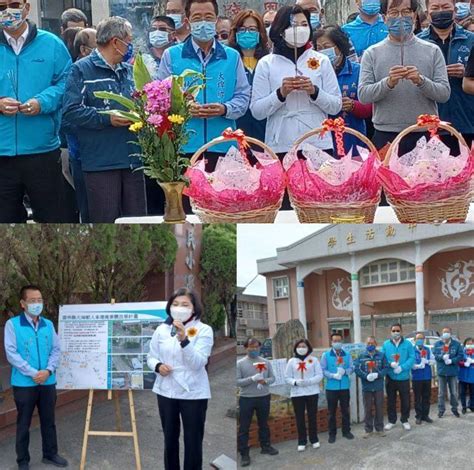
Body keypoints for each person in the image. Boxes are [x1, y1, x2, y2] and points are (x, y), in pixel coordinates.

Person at [62, 16, 147, 223]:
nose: (131, 45)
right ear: (116, 42)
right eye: (128, 40)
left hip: (133, 160)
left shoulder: (129, 71)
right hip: (101, 162)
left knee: (139, 225)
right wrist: (107, 119)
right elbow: (71, 111)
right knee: (106, 224)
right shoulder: (81, 69)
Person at [0, 0, 72, 223]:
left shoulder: (51, 44)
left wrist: (42, 102)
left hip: (42, 151)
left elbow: (67, 83)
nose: (7, 11)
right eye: (1, 6)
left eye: (13, 4)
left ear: (26, 7)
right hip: (1, 153)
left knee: (53, 222)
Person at [157, 0, 250, 166]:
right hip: (184, 146)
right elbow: (161, 98)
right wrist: (184, 108)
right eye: (197, 17)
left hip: (224, 145)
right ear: (187, 22)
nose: (203, 22)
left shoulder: (232, 56)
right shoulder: (171, 56)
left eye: (208, 17)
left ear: (216, 20)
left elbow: (243, 97)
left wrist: (224, 109)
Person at [358, 0, 451, 154]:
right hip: (386, 135)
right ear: (384, 17)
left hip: (424, 132)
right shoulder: (371, 53)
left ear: (414, 16)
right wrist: (388, 83)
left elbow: (444, 94)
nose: (400, 17)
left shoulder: (432, 51)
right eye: (394, 12)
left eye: (406, 12)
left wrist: (421, 81)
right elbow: (363, 96)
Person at [250, 5, 341, 157]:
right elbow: (257, 111)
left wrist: (314, 92)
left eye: (304, 25)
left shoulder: (321, 60)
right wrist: (280, 94)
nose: (300, 29)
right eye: (294, 25)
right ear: (281, 29)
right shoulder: (266, 63)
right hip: (280, 143)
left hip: (317, 141)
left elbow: (336, 106)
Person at [147, 288, 213, 470]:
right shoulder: (161, 329)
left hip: (193, 393)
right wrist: (158, 366)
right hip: (166, 391)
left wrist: (184, 339)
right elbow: (150, 356)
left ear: (194, 308)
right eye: (175, 304)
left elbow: (198, 362)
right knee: (170, 439)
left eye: (185, 304)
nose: (179, 308)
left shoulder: (204, 330)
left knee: (193, 441)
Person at [4, 285, 67, 470]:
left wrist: (48, 370)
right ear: (23, 304)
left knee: (49, 420)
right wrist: (33, 373)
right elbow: (11, 353)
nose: (37, 304)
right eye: (33, 301)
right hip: (24, 383)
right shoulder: (13, 325)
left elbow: (56, 348)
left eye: (40, 300)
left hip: (47, 381)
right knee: (24, 422)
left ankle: (50, 454)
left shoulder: (47, 324)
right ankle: (22, 460)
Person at [418, 0, 474, 149]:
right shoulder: (418, 43)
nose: (441, 11)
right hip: (430, 123)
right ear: (427, 14)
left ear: (454, 10)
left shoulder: (471, 40)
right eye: (435, 8)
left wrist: (468, 73)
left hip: (468, 120)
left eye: (445, 7)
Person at [315, 25, 373, 156]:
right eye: (319, 48)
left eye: (327, 47)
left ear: (340, 47)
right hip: (322, 140)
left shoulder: (358, 71)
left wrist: (353, 106)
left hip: (353, 139)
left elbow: (371, 107)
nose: (322, 52)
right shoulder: (313, 73)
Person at [228, 9, 269, 141]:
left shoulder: (268, 61)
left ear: (260, 33)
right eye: (242, 29)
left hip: (264, 129)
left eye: (252, 29)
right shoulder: (229, 60)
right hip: (236, 127)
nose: (247, 33)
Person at [237, 338, 278, 467]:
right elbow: (237, 382)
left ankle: (265, 446)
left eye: (256, 347)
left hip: (263, 397)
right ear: (246, 347)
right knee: (244, 427)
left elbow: (273, 378)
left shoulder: (265, 362)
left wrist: (264, 381)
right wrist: (252, 379)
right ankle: (244, 453)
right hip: (246, 398)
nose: (254, 349)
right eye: (251, 346)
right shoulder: (240, 363)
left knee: (263, 424)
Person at [284, 339, 323, 452]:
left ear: (308, 348)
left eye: (304, 346)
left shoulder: (313, 360)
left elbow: (319, 375)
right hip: (297, 393)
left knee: (312, 416)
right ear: (296, 348)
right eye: (299, 346)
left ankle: (314, 439)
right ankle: (302, 441)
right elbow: (287, 377)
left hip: (312, 392)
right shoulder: (292, 361)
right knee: (300, 417)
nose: (301, 348)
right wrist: (295, 382)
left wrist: (309, 381)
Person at [320, 333, 355, 443]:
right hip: (331, 388)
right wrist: (332, 375)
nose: (337, 343)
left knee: (345, 410)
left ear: (342, 341)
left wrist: (345, 371)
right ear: (331, 342)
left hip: (344, 386)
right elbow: (323, 370)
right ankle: (332, 433)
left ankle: (346, 431)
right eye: (335, 341)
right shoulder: (326, 355)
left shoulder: (347, 355)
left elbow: (352, 367)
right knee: (331, 412)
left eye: (339, 340)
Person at [381, 323, 415, 431]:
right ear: (390, 332)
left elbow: (412, 357)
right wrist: (390, 364)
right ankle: (391, 420)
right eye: (394, 330)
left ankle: (405, 420)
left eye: (398, 330)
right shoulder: (386, 344)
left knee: (405, 400)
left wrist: (402, 367)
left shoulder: (408, 344)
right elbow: (382, 358)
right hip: (390, 377)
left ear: (401, 331)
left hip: (403, 377)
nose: (396, 332)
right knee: (391, 400)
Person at [354, 336, 390, 438]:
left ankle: (379, 428)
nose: (370, 345)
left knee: (379, 407)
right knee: (368, 408)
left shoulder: (381, 355)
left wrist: (378, 375)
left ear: (376, 344)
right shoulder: (361, 356)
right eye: (368, 343)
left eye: (372, 343)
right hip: (367, 387)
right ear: (366, 344)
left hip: (378, 386)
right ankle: (368, 429)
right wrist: (366, 376)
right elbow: (357, 368)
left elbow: (386, 367)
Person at [433, 326, 464, 418]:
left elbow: (460, 355)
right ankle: (441, 410)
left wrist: (452, 360)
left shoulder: (456, 344)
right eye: (444, 332)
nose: (445, 334)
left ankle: (454, 409)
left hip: (452, 372)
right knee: (441, 393)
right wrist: (442, 357)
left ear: (450, 333)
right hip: (442, 372)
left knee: (454, 393)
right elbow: (435, 355)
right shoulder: (437, 344)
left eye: (447, 332)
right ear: (442, 334)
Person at [411, 332, 436, 425]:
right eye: (418, 338)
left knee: (426, 397)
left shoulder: (428, 349)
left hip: (427, 377)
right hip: (417, 378)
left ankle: (426, 415)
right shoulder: (412, 350)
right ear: (414, 340)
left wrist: (427, 361)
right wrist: (417, 366)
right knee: (417, 398)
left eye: (421, 338)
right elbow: (410, 364)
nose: (420, 340)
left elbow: (433, 361)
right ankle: (418, 416)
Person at [459, 337, 474, 413]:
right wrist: (464, 363)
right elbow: (458, 361)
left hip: (472, 375)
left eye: (471, 343)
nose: (470, 345)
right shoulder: (462, 352)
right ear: (465, 344)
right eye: (468, 343)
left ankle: (471, 405)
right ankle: (464, 407)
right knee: (462, 392)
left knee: (472, 392)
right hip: (463, 375)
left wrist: (472, 361)